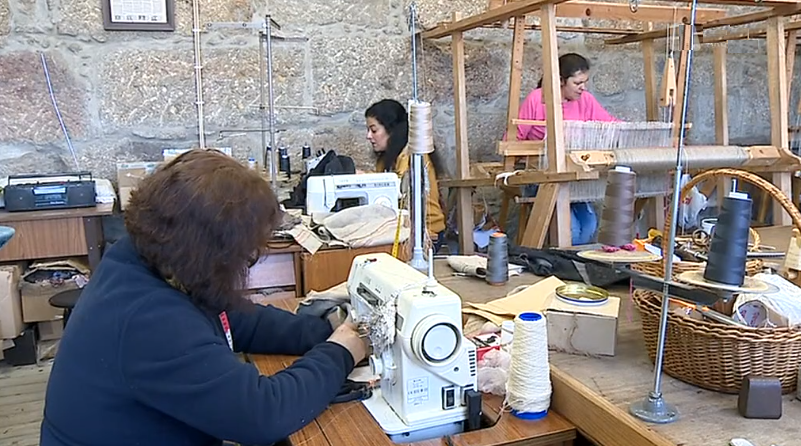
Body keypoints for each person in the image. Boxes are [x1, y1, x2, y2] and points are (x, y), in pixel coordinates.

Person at [40, 149, 368, 446]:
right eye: (245, 252)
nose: (247, 260)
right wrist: (339, 353)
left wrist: (325, 331)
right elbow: (263, 415)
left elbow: (234, 317)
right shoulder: (150, 318)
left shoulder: (143, 260)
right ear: (213, 250)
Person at [513, 53, 620, 245]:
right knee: (572, 230)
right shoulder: (537, 100)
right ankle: (567, 265)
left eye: (585, 82)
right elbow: (514, 139)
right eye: (577, 83)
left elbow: (611, 126)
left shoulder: (585, 100)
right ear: (561, 81)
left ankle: (571, 265)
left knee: (589, 224)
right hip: (542, 178)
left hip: (573, 178)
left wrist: (655, 136)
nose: (583, 88)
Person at [365, 99, 448, 250]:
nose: (368, 136)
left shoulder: (414, 158)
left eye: (374, 130)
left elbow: (398, 190)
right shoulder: (387, 160)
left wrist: (364, 179)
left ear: (391, 130)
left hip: (428, 234)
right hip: (408, 229)